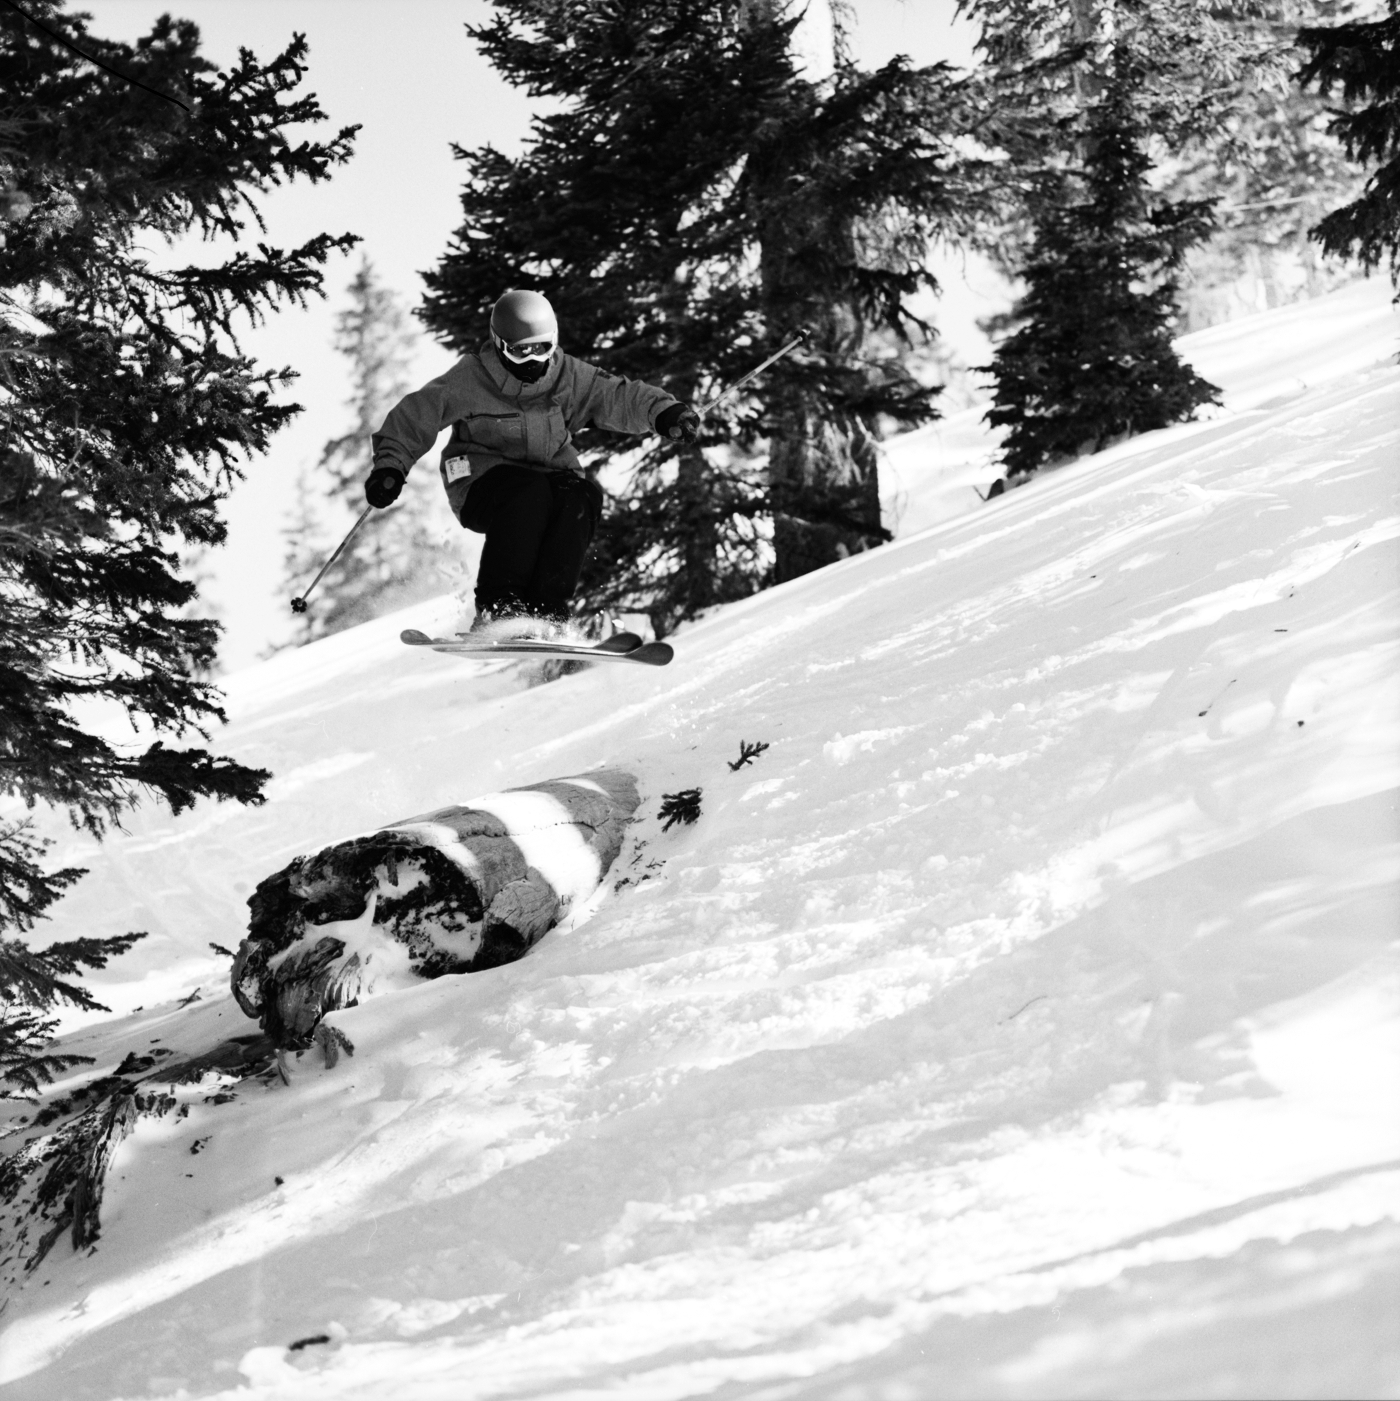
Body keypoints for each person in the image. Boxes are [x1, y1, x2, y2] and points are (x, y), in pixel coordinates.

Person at [364, 289, 702, 634]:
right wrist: (390, 466)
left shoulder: (567, 375)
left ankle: (548, 611)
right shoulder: (470, 378)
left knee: (580, 496)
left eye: (541, 348)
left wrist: (663, 412)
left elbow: (617, 395)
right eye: (519, 351)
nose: (532, 361)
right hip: (481, 484)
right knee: (528, 493)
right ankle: (499, 608)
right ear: (499, 344)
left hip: (548, 478)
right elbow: (416, 415)